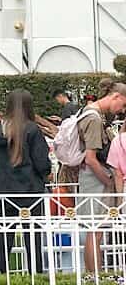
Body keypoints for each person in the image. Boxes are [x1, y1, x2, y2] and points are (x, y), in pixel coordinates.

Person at [0, 89, 50, 274]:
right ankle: (35, 276)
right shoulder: (31, 129)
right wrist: (46, 173)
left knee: (2, 240)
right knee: (33, 239)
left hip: (0, 192)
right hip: (29, 192)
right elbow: (41, 162)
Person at [77, 82, 126, 273]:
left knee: (94, 231)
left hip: (89, 178)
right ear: (116, 97)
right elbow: (91, 158)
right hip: (95, 179)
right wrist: (108, 181)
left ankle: (93, 275)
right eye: (122, 106)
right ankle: (94, 276)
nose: (121, 111)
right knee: (95, 231)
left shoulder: (87, 112)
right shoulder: (94, 118)